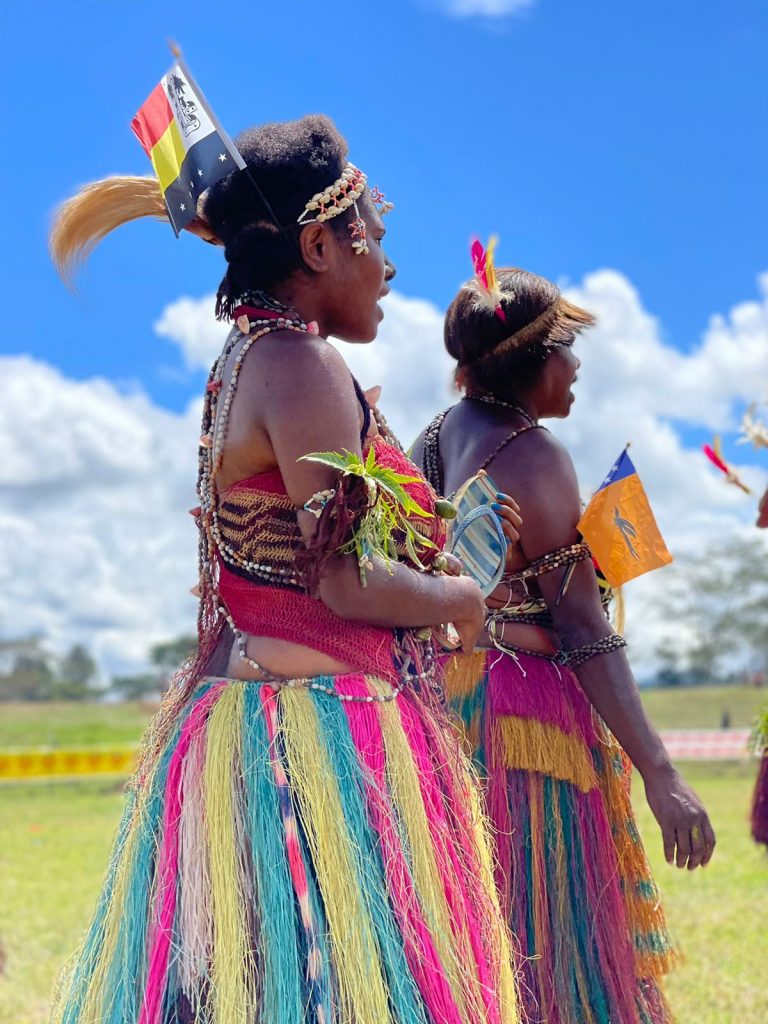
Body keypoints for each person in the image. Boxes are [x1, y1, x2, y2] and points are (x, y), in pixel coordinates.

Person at [48, 116, 521, 1024]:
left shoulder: (250, 359)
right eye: (372, 239)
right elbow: (343, 583)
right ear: (316, 243)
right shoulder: (300, 364)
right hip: (310, 745)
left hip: (262, 722)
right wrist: (460, 594)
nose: (387, 266)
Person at [413, 265, 717, 1024]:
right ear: (534, 361)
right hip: (528, 721)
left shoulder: (439, 433)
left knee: (484, 929)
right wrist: (661, 771)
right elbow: (581, 627)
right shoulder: (534, 453)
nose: (576, 368)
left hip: (451, 709)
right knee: (552, 944)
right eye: (567, 350)